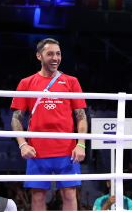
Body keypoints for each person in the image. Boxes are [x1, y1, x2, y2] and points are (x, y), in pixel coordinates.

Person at [10, 38, 88, 211]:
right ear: (39, 56)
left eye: (58, 54)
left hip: (67, 150)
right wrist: (22, 144)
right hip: (37, 150)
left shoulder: (71, 82)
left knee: (69, 194)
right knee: (37, 196)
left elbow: (81, 116)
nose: (55, 58)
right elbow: (16, 118)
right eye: (50, 53)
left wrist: (81, 144)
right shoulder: (26, 83)